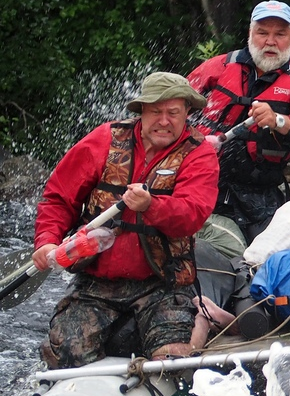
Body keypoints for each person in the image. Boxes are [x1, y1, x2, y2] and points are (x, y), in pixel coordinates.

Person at [33, 72, 219, 369]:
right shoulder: (105, 139)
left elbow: (192, 215)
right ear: (141, 112)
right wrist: (47, 241)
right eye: (156, 111)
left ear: (187, 113)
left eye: (173, 113)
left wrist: (151, 205)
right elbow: (58, 197)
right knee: (65, 352)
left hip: (162, 284)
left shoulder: (199, 153)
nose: (164, 121)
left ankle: (200, 318)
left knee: (171, 361)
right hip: (95, 283)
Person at [188, 0, 290, 244]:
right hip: (201, 184)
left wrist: (278, 120)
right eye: (262, 32)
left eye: (280, 34)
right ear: (250, 33)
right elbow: (173, 107)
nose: (270, 41)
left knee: (266, 256)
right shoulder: (220, 66)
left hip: (258, 197)